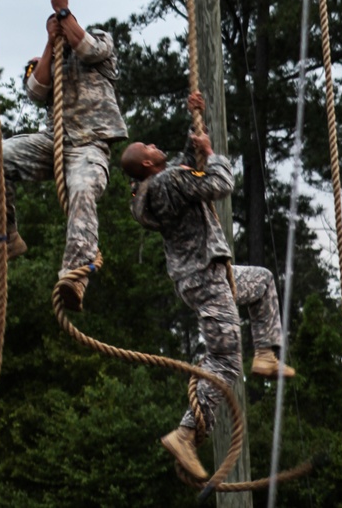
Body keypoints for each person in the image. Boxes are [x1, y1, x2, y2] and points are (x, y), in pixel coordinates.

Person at [121, 90, 296, 483]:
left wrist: (194, 126)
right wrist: (212, 152)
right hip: (206, 278)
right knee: (224, 362)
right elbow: (218, 183)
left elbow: (182, 169)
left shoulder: (150, 190)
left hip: (207, 276)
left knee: (263, 281)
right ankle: (185, 433)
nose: (154, 145)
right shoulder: (167, 183)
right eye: (149, 147)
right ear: (148, 163)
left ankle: (265, 352)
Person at [0, 0, 127, 311]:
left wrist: (63, 13)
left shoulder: (101, 43)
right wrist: (49, 42)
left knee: (82, 188)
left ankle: (75, 275)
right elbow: (35, 89)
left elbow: (85, 47)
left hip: (90, 144)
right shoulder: (46, 60)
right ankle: (7, 236)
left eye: (63, 26)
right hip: (54, 143)